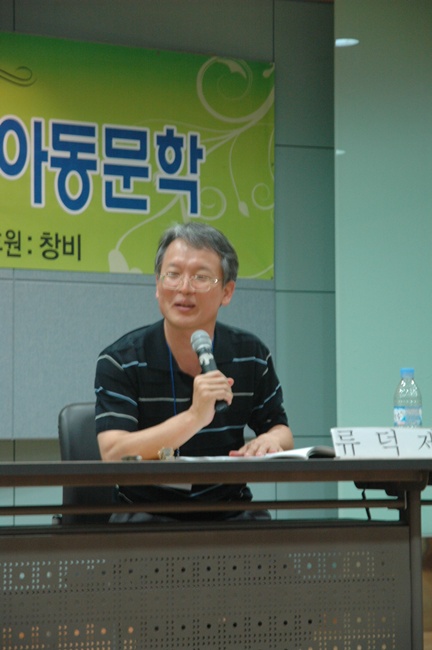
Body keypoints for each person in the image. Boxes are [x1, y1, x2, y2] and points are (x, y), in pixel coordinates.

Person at [94, 222, 294, 521]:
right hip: (145, 516)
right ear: (157, 285)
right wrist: (194, 417)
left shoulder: (250, 354)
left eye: (201, 277)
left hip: (230, 512)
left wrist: (272, 441)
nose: (184, 288)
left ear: (227, 292)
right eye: (173, 274)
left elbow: (281, 430)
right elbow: (113, 453)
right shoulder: (121, 360)